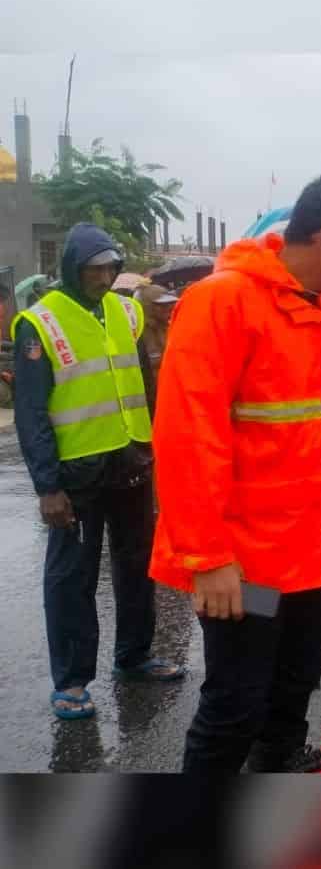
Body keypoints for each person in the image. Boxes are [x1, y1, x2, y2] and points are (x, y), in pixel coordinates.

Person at [150, 174, 321, 772]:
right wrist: (208, 559)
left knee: (293, 691)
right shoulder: (222, 302)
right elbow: (188, 438)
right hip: (248, 569)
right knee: (236, 704)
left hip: (313, 559)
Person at [11, 223, 184, 722]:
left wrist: (154, 444)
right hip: (75, 476)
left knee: (136, 567)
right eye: (94, 269)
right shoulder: (40, 324)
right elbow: (30, 412)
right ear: (71, 268)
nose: (104, 277)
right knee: (72, 579)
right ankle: (71, 682)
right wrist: (48, 487)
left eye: (110, 268)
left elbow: (144, 383)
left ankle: (134, 656)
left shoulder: (125, 312)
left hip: (128, 462)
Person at [133, 283, 179, 421]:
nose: (168, 308)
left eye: (170, 303)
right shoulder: (136, 334)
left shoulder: (173, 328)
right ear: (147, 307)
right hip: (149, 408)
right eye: (160, 305)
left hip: (174, 404)